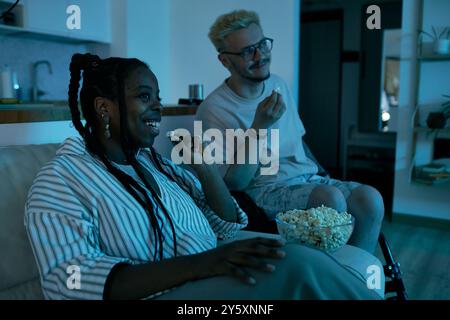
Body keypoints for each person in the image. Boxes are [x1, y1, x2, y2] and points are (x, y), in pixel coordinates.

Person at [24, 53, 383, 300]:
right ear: (105, 108)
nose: (157, 107)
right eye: (144, 97)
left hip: (206, 276)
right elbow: (68, 282)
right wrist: (203, 263)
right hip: (163, 294)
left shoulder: (156, 166)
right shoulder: (61, 180)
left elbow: (226, 224)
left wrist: (207, 170)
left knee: (298, 256)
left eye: (158, 97)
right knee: (298, 267)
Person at [196, 10, 384, 254]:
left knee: (370, 199)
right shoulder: (213, 109)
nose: (260, 55)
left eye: (262, 44)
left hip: (308, 179)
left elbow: (298, 141)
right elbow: (234, 184)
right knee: (330, 199)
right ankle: (326, 282)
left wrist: (321, 171)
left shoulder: (278, 84)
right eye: (247, 51)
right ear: (225, 61)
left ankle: (355, 280)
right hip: (264, 189)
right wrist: (260, 126)